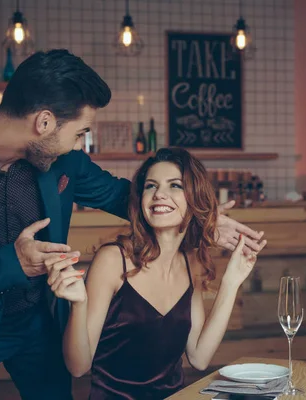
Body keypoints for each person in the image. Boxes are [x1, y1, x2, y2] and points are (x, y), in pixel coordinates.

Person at [0, 50, 265, 400]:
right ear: (44, 123)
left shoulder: (63, 160)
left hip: (40, 325)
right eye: (79, 133)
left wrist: (204, 219)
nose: (79, 145)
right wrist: (12, 264)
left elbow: (131, 197)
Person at [48, 147, 265, 399]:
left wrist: (232, 281)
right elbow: (78, 367)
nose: (159, 194)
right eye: (151, 186)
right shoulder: (113, 260)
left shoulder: (190, 263)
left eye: (175, 185)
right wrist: (79, 304)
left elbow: (199, 357)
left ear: (195, 199)